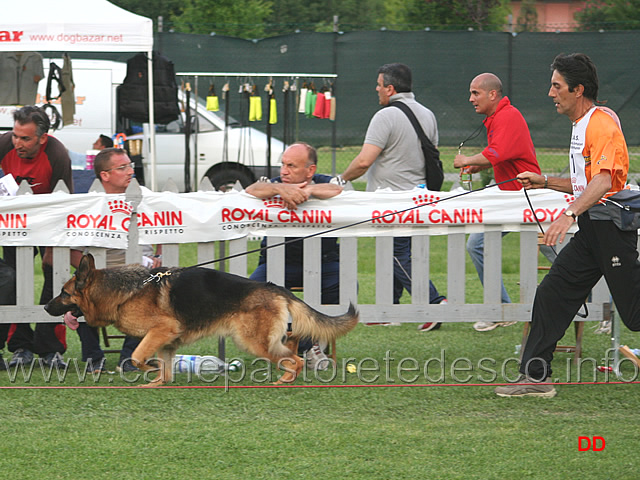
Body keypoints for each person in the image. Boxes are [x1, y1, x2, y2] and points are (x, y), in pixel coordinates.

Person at [495, 53, 640, 398]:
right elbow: (585, 184)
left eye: (557, 86)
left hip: (610, 230)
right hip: (593, 230)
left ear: (577, 90)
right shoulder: (582, 125)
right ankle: (535, 378)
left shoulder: (600, 124)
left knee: (634, 315)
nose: (550, 93)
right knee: (552, 295)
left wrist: (569, 214)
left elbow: (604, 182)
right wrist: (544, 180)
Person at [335, 63, 447, 332]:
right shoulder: (428, 115)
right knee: (398, 251)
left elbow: (364, 161)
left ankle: (434, 302)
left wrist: (340, 180)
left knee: (395, 255)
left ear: (391, 88)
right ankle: (389, 308)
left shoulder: (384, 117)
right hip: (419, 198)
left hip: (389, 200)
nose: (376, 89)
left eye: (379, 84)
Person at [453, 73, 541, 332]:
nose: (471, 99)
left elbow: (497, 152)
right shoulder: (499, 117)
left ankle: (605, 305)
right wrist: (476, 168)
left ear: (493, 94)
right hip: (512, 197)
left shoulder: (507, 116)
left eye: (475, 93)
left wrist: (467, 160)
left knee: (561, 252)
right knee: (477, 245)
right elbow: (502, 157)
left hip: (525, 197)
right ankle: (500, 308)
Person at [246, 142, 343, 369]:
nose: (284, 171)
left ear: (310, 171)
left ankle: (308, 344)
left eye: (291, 166)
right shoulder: (275, 184)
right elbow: (252, 190)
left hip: (324, 263)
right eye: (283, 164)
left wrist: (307, 191)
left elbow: (338, 190)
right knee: (249, 294)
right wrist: (281, 190)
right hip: (276, 264)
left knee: (347, 288)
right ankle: (290, 344)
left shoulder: (322, 181)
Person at [75, 147, 162, 373]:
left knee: (149, 295)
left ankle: (129, 359)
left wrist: (158, 256)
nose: (130, 171)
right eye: (122, 168)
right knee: (80, 296)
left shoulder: (147, 198)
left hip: (141, 273)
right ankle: (94, 359)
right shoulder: (89, 205)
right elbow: (74, 252)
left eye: (130, 166)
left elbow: (166, 229)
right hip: (103, 275)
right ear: (105, 175)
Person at [0, 105, 74, 368]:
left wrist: (53, 247)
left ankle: (50, 348)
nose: (17, 142)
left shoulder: (57, 154)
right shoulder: (4, 144)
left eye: (25, 138)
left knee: (55, 278)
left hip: (50, 221)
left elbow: (64, 202)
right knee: (14, 279)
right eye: (15, 135)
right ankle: (20, 346)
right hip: (15, 224)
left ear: (43, 138)